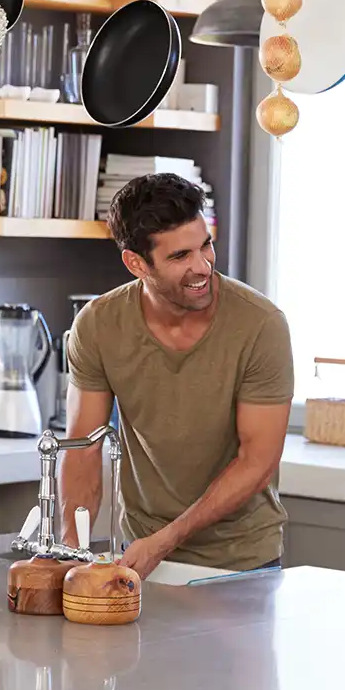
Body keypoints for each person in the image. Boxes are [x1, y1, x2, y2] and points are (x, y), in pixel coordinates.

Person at [62, 173, 295, 577]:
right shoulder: (98, 325)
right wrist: (70, 546)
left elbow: (257, 462)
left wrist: (166, 540)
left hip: (241, 562)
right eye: (180, 256)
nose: (202, 266)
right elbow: (83, 448)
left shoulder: (261, 325)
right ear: (136, 263)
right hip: (141, 552)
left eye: (205, 245)